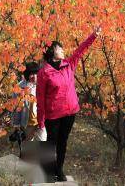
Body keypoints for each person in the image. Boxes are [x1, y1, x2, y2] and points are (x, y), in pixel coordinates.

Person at [36, 26, 102, 182]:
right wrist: (41, 120)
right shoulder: (44, 73)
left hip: (70, 113)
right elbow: (40, 98)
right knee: (50, 143)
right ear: (52, 51)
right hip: (53, 115)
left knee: (63, 142)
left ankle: (59, 170)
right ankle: (45, 173)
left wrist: (94, 36)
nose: (63, 50)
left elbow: (81, 50)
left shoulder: (69, 64)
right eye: (60, 48)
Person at [11, 62, 47, 144]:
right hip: (27, 123)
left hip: (41, 122)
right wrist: (16, 125)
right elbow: (17, 108)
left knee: (44, 144)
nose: (34, 77)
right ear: (27, 75)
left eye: (36, 74)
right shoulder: (19, 87)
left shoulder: (43, 85)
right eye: (32, 74)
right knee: (27, 149)